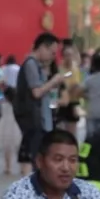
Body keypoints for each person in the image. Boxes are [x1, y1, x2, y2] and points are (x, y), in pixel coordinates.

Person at [15, 32, 66, 176]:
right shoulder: (31, 64)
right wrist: (53, 82)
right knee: (35, 156)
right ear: (42, 47)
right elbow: (36, 92)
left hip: (39, 119)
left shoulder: (36, 65)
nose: (53, 56)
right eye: (52, 52)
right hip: (34, 119)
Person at [0, 88, 23, 175]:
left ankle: (8, 167)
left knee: (7, 148)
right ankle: (22, 167)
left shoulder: (3, 102)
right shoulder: (18, 103)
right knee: (18, 147)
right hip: (16, 124)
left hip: (5, 124)